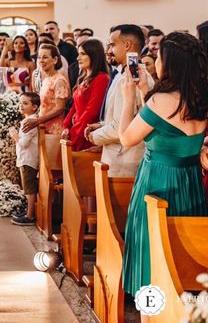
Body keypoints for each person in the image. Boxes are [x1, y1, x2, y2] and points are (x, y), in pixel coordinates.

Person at [119, 32, 208, 310]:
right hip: (190, 182)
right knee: (183, 255)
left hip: (157, 183)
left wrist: (128, 96)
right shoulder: (199, 99)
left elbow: (126, 138)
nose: (155, 61)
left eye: (158, 57)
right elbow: (171, 126)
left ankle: (151, 312)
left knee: (153, 256)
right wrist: (148, 89)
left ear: (170, 63)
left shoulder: (161, 102)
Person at [85, 25, 154, 177]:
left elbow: (123, 127)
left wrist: (95, 136)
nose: (109, 50)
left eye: (112, 45)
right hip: (117, 156)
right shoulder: (125, 74)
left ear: (127, 45)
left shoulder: (135, 78)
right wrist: (102, 125)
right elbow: (126, 116)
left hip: (125, 159)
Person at [62, 39, 110, 150]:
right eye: (78, 54)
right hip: (76, 129)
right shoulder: (84, 78)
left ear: (94, 55)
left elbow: (92, 111)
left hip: (85, 133)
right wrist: (66, 126)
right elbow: (75, 106)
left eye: (82, 54)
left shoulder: (101, 78)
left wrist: (75, 132)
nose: (78, 58)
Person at [23, 44, 70, 136]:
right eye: (39, 57)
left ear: (55, 60)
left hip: (54, 129)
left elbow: (60, 108)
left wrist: (38, 120)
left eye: (45, 57)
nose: (41, 61)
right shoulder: (47, 79)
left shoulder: (59, 80)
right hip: (43, 126)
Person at [9, 92, 40, 226]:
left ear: (34, 107)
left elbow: (24, 143)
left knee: (29, 189)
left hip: (28, 159)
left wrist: (15, 135)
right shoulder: (28, 120)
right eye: (20, 103)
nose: (21, 106)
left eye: (25, 103)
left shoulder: (30, 121)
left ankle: (30, 215)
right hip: (25, 158)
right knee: (27, 187)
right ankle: (28, 210)